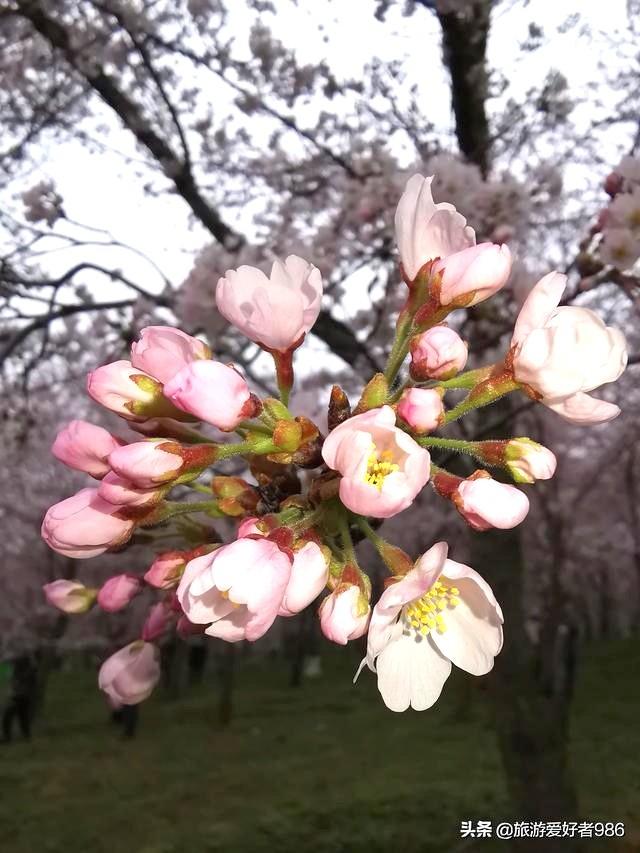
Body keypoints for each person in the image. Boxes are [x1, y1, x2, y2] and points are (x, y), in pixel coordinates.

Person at [1, 655, 37, 743]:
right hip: (21, 695)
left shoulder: (27, 668)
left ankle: (8, 737)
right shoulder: (20, 667)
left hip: (22, 695)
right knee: (22, 716)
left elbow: (25, 680)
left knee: (9, 714)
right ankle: (26, 736)